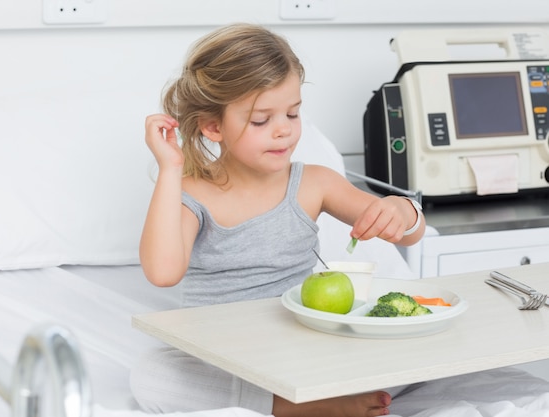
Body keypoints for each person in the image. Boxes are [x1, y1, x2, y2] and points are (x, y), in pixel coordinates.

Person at [136, 23, 425, 417]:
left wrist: (402, 210)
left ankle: (309, 396)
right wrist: (170, 169)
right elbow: (163, 271)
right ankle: (300, 406)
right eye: (261, 120)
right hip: (228, 357)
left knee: (414, 345)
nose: (284, 130)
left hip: (306, 346)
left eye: (293, 112)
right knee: (155, 377)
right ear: (213, 126)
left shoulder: (314, 183)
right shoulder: (191, 194)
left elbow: (409, 234)